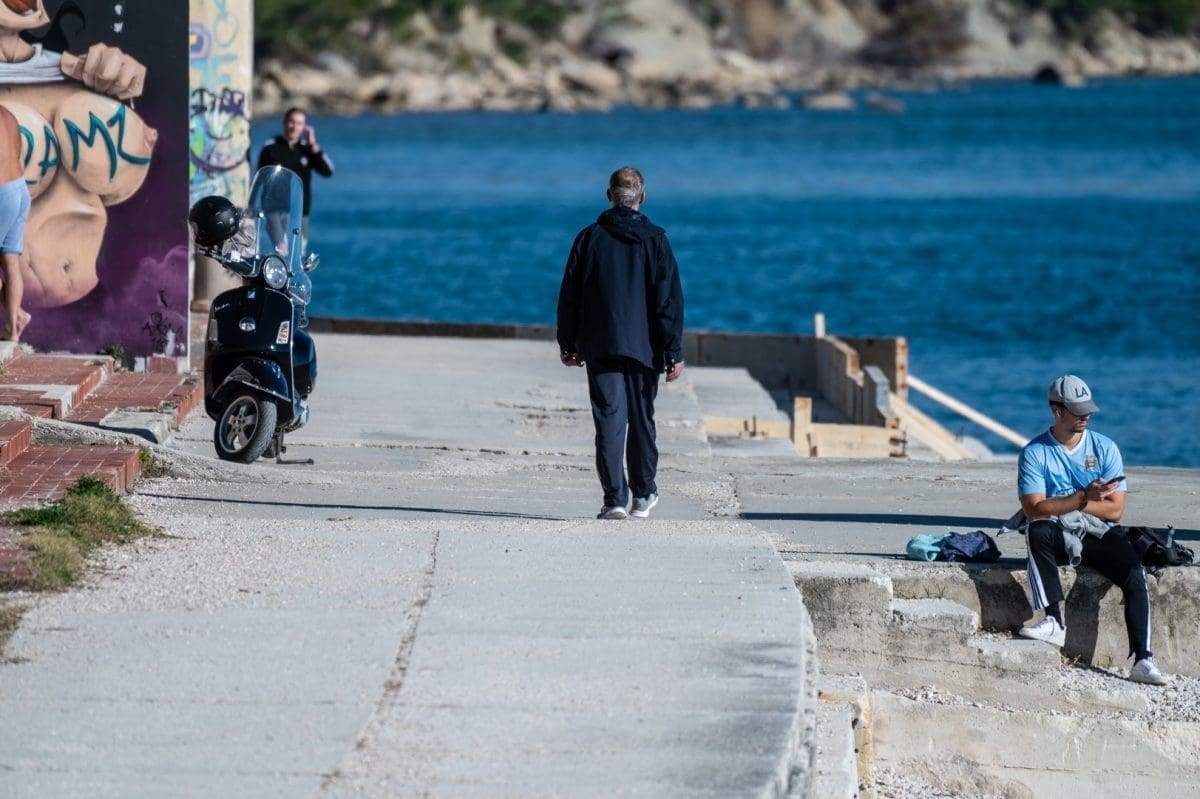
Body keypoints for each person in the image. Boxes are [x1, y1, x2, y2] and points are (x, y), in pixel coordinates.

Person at [1014, 374, 1167, 685]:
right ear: (1056, 410)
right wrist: (1083, 497)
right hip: (1056, 534)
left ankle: (1143, 659)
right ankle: (1053, 621)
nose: (1085, 416)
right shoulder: (1035, 453)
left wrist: (1067, 505)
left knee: (1134, 571)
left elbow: (1115, 510)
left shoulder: (1105, 447)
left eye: (1088, 409)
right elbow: (1033, 509)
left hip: (1098, 533)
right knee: (1037, 530)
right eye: (1077, 410)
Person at [557, 166, 685, 520]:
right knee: (642, 419)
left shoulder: (589, 238)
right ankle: (643, 495)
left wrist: (568, 342)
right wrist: (673, 350)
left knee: (609, 419)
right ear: (642, 197)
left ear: (608, 196)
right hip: (646, 347)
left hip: (601, 343)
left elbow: (570, 296)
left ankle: (614, 499)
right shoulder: (656, 240)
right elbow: (668, 301)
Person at [256, 108, 333, 245]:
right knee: (281, 249)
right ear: (285, 122)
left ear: (304, 126)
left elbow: (328, 171)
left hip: (300, 211)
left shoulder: (306, 149)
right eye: (291, 122)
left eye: (299, 123)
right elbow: (260, 176)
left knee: (298, 250)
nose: (294, 126)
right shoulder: (270, 147)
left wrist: (313, 144)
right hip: (276, 209)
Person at [0, 103, 30, 340]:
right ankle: (13, 327)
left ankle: (17, 316)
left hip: (1, 193)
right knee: (11, 263)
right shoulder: (7, 115)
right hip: (19, 190)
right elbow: (19, 155)